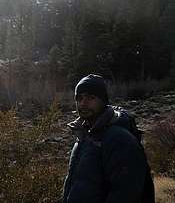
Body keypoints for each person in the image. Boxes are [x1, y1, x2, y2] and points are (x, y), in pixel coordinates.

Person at [62, 74, 154, 203]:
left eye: (91, 98)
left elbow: (125, 194)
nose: (83, 103)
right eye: (79, 98)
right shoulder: (83, 135)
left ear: (104, 101)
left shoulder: (119, 139)